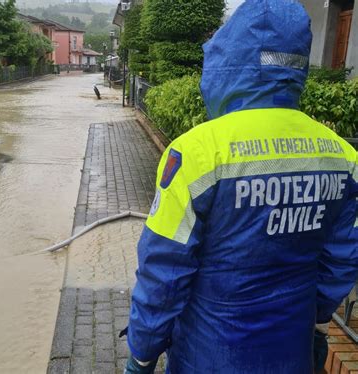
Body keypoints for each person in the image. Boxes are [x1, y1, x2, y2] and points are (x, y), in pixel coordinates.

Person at [124, 0, 358, 373]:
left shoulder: (198, 152)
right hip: (290, 351)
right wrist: (314, 322)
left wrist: (142, 354)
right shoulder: (343, 157)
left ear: (230, 58)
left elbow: (164, 270)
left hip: (208, 354)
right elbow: (342, 259)